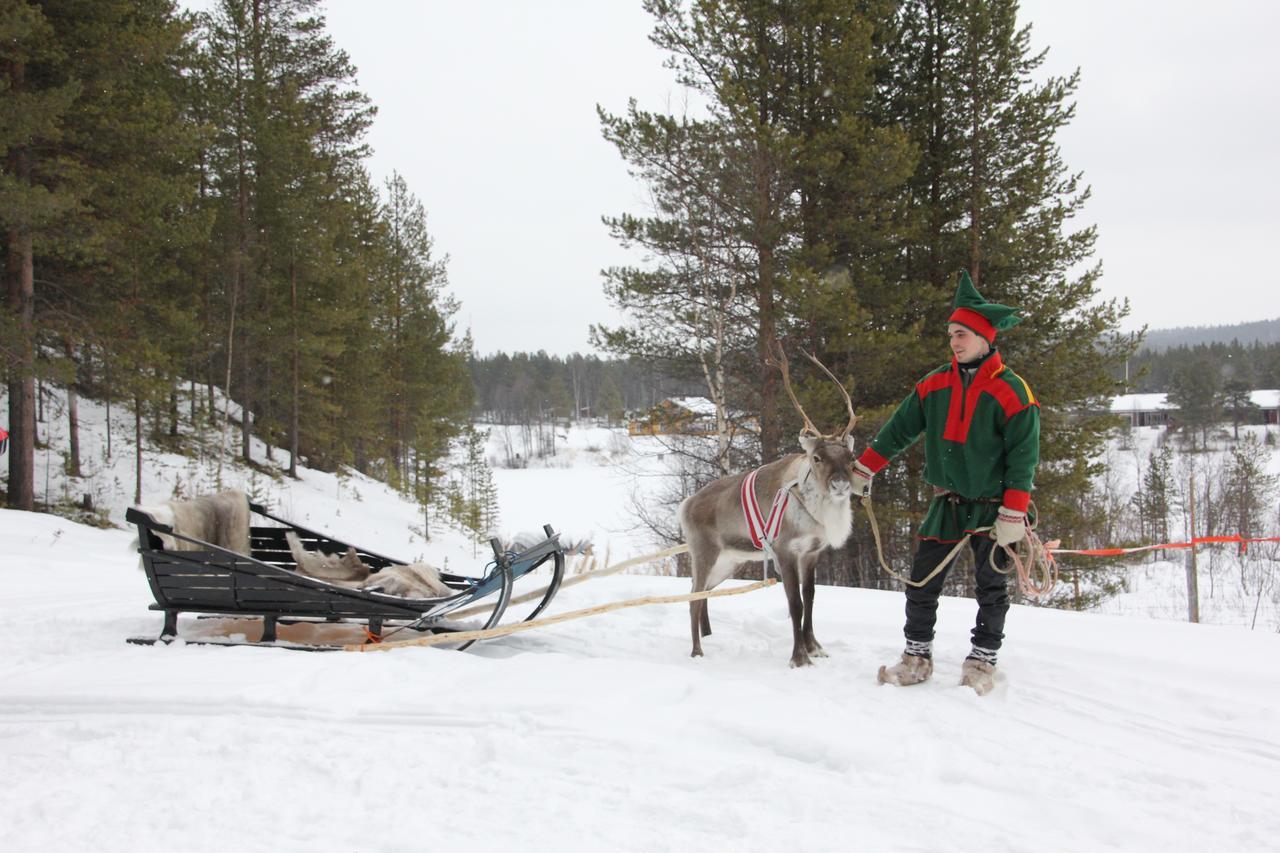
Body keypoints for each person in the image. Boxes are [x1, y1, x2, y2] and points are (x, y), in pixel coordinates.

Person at [851, 270, 1040, 695]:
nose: (955, 342)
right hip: (947, 504)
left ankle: (982, 661)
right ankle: (916, 657)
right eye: (952, 334)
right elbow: (897, 431)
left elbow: (1023, 457)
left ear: (986, 338)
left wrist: (1014, 511)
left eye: (963, 334)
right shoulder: (933, 384)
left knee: (991, 588)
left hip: (994, 509)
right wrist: (865, 468)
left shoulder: (1014, 392)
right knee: (921, 582)